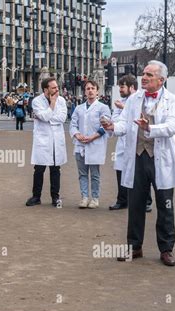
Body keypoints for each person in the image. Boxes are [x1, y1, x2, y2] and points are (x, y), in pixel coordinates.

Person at [102, 60, 175, 266]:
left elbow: (172, 127)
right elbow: (124, 124)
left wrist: (150, 127)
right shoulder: (134, 99)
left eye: (149, 75)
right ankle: (134, 247)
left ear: (161, 80)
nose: (144, 78)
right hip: (137, 156)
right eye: (143, 74)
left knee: (165, 204)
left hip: (159, 158)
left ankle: (166, 249)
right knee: (135, 204)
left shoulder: (173, 100)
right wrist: (112, 126)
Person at [26, 77, 67, 207]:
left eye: (57, 87)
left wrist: (47, 117)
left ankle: (55, 197)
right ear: (46, 89)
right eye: (54, 87)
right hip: (42, 140)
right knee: (39, 169)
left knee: (56, 169)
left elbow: (62, 118)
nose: (57, 90)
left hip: (56, 139)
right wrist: (52, 105)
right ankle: (36, 196)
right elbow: (43, 116)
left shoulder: (62, 100)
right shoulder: (37, 101)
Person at [69, 80, 111, 209]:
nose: (90, 91)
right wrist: (77, 135)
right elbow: (73, 124)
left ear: (97, 91)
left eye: (93, 88)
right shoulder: (79, 108)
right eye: (88, 89)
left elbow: (106, 126)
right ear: (85, 91)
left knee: (94, 174)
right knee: (82, 174)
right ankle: (84, 197)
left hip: (95, 144)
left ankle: (95, 198)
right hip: (80, 144)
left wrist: (93, 136)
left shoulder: (103, 108)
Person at [108, 75, 138, 211]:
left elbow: (137, 117)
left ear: (131, 87)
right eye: (120, 87)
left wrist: (124, 107)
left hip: (136, 141)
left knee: (139, 173)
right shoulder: (119, 102)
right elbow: (115, 120)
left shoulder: (139, 100)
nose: (120, 89)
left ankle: (146, 202)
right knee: (120, 170)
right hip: (122, 142)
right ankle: (122, 200)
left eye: (122, 87)